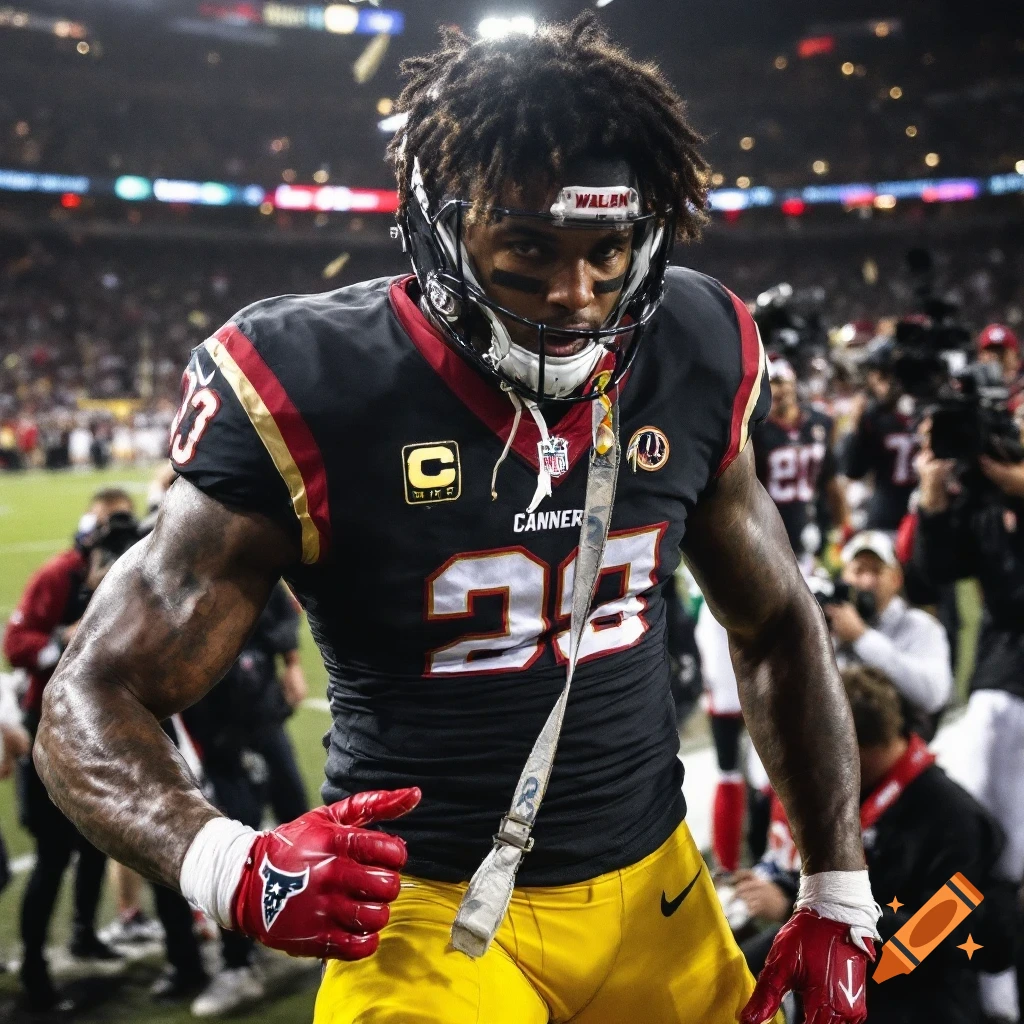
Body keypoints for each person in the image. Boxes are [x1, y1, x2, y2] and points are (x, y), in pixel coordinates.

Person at [35, 17, 880, 1024]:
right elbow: (92, 693)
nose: (576, 295)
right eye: (529, 247)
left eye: (609, 251)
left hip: (653, 887)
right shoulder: (312, 385)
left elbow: (777, 620)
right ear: (438, 226)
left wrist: (838, 888)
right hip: (419, 911)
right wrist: (226, 862)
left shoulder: (692, 344)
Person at [735, 666, 1017, 1024]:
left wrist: (804, 909)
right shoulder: (850, 795)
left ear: (853, 747)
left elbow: (923, 941)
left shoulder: (955, 821)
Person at [2, 489, 135, 1010]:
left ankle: (84, 931)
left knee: (96, 840)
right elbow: (16, 646)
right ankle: (34, 967)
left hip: (99, 727)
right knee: (54, 853)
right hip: (51, 727)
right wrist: (64, 637)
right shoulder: (59, 575)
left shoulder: (133, 574)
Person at [914, 424, 1024, 1023]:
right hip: (998, 689)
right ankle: (915, 966)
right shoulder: (988, 502)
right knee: (978, 850)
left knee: (999, 857)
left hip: (1005, 699)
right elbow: (934, 570)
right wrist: (932, 500)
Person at [826, 530, 952, 733]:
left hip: (898, 738)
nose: (866, 582)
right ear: (844, 576)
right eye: (858, 571)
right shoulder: (829, 625)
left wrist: (862, 638)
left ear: (895, 579)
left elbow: (933, 696)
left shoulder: (921, 626)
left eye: (876, 571)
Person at [754, 356, 849, 564]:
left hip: (815, 527)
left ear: (793, 381)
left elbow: (831, 480)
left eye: (779, 382)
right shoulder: (755, 430)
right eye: (769, 383)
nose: (776, 390)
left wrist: (843, 530)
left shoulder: (819, 422)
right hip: (770, 532)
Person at [844, 347, 919, 531]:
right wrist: (856, 426)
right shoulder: (875, 417)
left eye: (883, 378)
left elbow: (853, 470)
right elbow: (853, 470)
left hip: (904, 510)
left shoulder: (920, 413)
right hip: (892, 512)